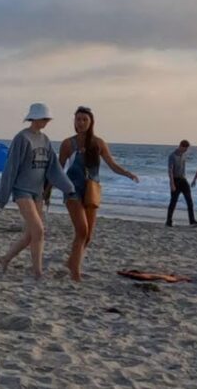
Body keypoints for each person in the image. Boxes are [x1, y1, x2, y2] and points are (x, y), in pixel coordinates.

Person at [57, 106, 139, 281]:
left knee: (88, 236)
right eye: (78, 119)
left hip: (91, 190)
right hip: (72, 190)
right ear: (74, 122)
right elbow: (58, 168)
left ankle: (71, 262)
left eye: (84, 119)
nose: (81, 122)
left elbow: (112, 164)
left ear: (91, 122)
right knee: (82, 230)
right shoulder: (68, 143)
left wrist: (127, 173)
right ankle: (75, 273)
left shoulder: (98, 143)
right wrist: (46, 189)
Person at [0, 103, 76, 279]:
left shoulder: (45, 140)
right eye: (44, 118)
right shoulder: (22, 138)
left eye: (48, 119)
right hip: (22, 190)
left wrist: (69, 188)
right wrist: (2, 197)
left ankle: (5, 259)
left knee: (30, 234)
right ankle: (38, 272)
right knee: (39, 230)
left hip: (37, 192)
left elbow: (53, 168)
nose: (46, 121)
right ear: (35, 118)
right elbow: (11, 168)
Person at [166, 140, 197, 227]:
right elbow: (170, 170)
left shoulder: (184, 155)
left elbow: (183, 167)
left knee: (189, 201)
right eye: (185, 148)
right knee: (173, 201)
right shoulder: (172, 156)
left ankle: (192, 220)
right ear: (181, 146)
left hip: (183, 180)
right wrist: (172, 183)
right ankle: (168, 220)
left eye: (187, 149)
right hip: (175, 180)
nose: (186, 150)